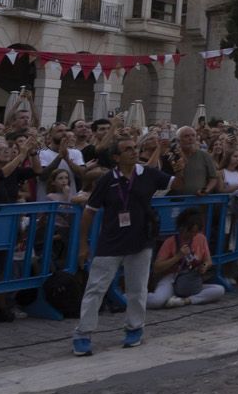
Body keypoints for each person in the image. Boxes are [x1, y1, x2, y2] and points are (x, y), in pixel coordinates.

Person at [72, 133, 171, 356]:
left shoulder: (147, 174)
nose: (134, 151)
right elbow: (89, 212)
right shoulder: (107, 180)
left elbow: (176, 182)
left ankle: (135, 327)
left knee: (137, 288)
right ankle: (83, 333)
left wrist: (179, 160)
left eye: (135, 147)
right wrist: (83, 244)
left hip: (140, 240)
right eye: (128, 149)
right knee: (96, 288)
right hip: (111, 241)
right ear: (116, 157)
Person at [147, 207, 226, 309]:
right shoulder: (170, 242)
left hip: (190, 281)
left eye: (195, 232)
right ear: (182, 227)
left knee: (219, 290)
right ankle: (132, 298)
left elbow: (208, 260)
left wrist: (204, 266)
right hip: (172, 279)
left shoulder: (201, 238)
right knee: (156, 301)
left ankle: (185, 301)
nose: (192, 235)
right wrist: (177, 257)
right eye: (190, 232)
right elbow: (157, 267)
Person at [167, 126, 221, 197]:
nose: (190, 138)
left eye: (193, 135)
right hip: (177, 200)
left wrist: (205, 190)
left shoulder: (205, 155)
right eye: (186, 136)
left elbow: (213, 178)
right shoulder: (172, 157)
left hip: (199, 200)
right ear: (178, 140)